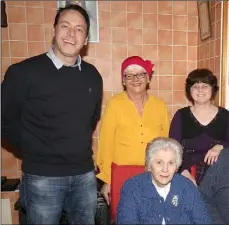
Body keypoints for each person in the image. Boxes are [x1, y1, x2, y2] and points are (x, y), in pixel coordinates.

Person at [1, 4, 102, 224]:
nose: (71, 34)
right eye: (65, 26)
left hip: (84, 176)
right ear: (54, 30)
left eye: (79, 29)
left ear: (85, 39)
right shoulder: (23, 73)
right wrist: (35, 148)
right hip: (42, 176)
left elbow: (91, 119)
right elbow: (4, 121)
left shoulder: (93, 76)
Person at [95, 56, 170, 206]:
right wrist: (108, 180)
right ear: (123, 81)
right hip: (121, 175)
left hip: (153, 175)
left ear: (148, 78)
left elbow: (166, 144)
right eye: (129, 75)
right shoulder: (115, 104)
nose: (135, 79)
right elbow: (105, 144)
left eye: (140, 74)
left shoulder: (159, 105)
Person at [116, 137, 212, 224]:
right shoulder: (132, 188)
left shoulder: (187, 187)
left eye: (170, 163)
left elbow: (204, 221)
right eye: (159, 162)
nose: (165, 169)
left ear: (177, 167)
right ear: (149, 165)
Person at [169, 69, 229, 185]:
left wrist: (220, 146)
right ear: (189, 90)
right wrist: (184, 172)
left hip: (220, 177)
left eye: (205, 86)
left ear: (213, 89)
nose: (200, 90)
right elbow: (172, 149)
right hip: (185, 175)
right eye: (195, 86)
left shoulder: (225, 115)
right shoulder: (180, 115)